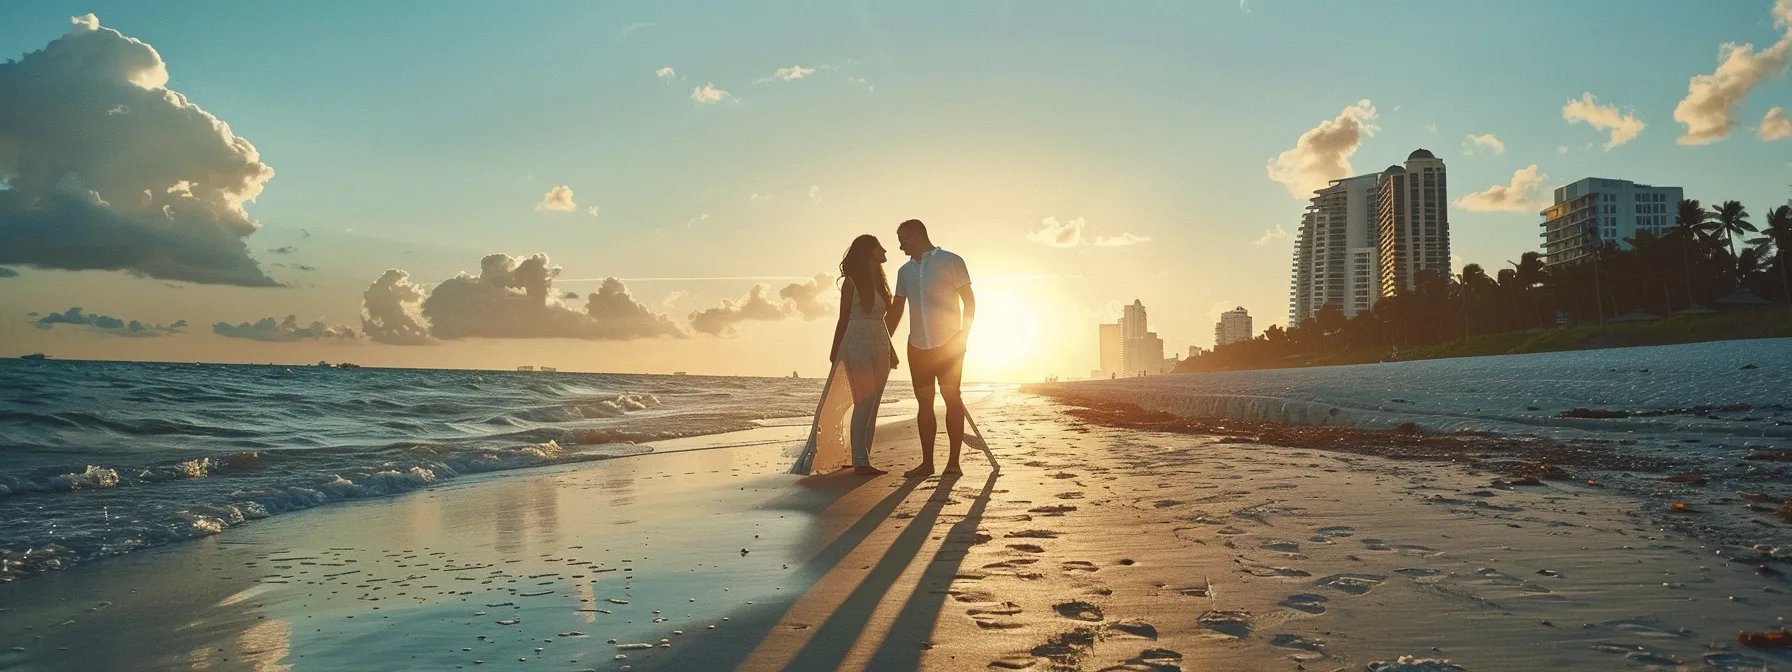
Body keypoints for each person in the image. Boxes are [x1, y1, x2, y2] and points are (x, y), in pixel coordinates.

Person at [790, 235, 900, 476]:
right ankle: (861, 461)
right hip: (856, 342)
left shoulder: (881, 283)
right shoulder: (852, 282)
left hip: (880, 343)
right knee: (864, 401)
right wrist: (835, 350)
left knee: (874, 405)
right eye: (879, 247)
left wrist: (891, 350)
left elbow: (882, 320)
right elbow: (843, 318)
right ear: (869, 251)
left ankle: (862, 456)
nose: (884, 251)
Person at [886, 219, 975, 477]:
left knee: (951, 398)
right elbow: (896, 310)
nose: (901, 247)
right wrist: (885, 342)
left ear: (917, 235)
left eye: (904, 240)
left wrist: (964, 336)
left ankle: (954, 463)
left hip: (949, 345)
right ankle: (927, 463)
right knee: (924, 403)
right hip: (917, 347)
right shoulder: (904, 272)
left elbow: (969, 302)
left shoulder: (951, 261)